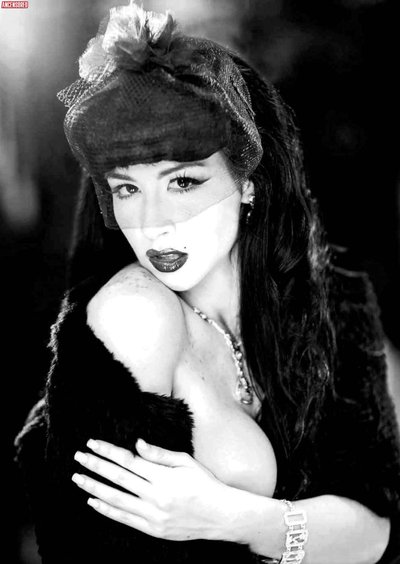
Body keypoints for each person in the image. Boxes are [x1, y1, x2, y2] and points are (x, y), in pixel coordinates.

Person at [15, 2, 400, 563]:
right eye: (127, 189)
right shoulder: (135, 316)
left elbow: (378, 531)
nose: (153, 222)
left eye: (184, 181)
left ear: (248, 182)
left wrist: (232, 517)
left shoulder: (338, 302)